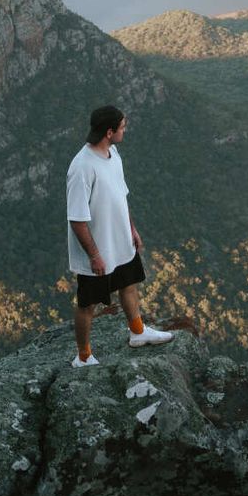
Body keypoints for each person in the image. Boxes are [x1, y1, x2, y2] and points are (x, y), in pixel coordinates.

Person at [66, 105, 175, 367]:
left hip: (120, 239)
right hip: (99, 249)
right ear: (109, 131)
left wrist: (132, 229)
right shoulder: (81, 167)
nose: (125, 131)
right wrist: (94, 255)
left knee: (129, 284)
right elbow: (77, 219)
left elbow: (120, 196)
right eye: (122, 127)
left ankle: (137, 332)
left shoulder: (113, 153)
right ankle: (83, 357)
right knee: (87, 304)